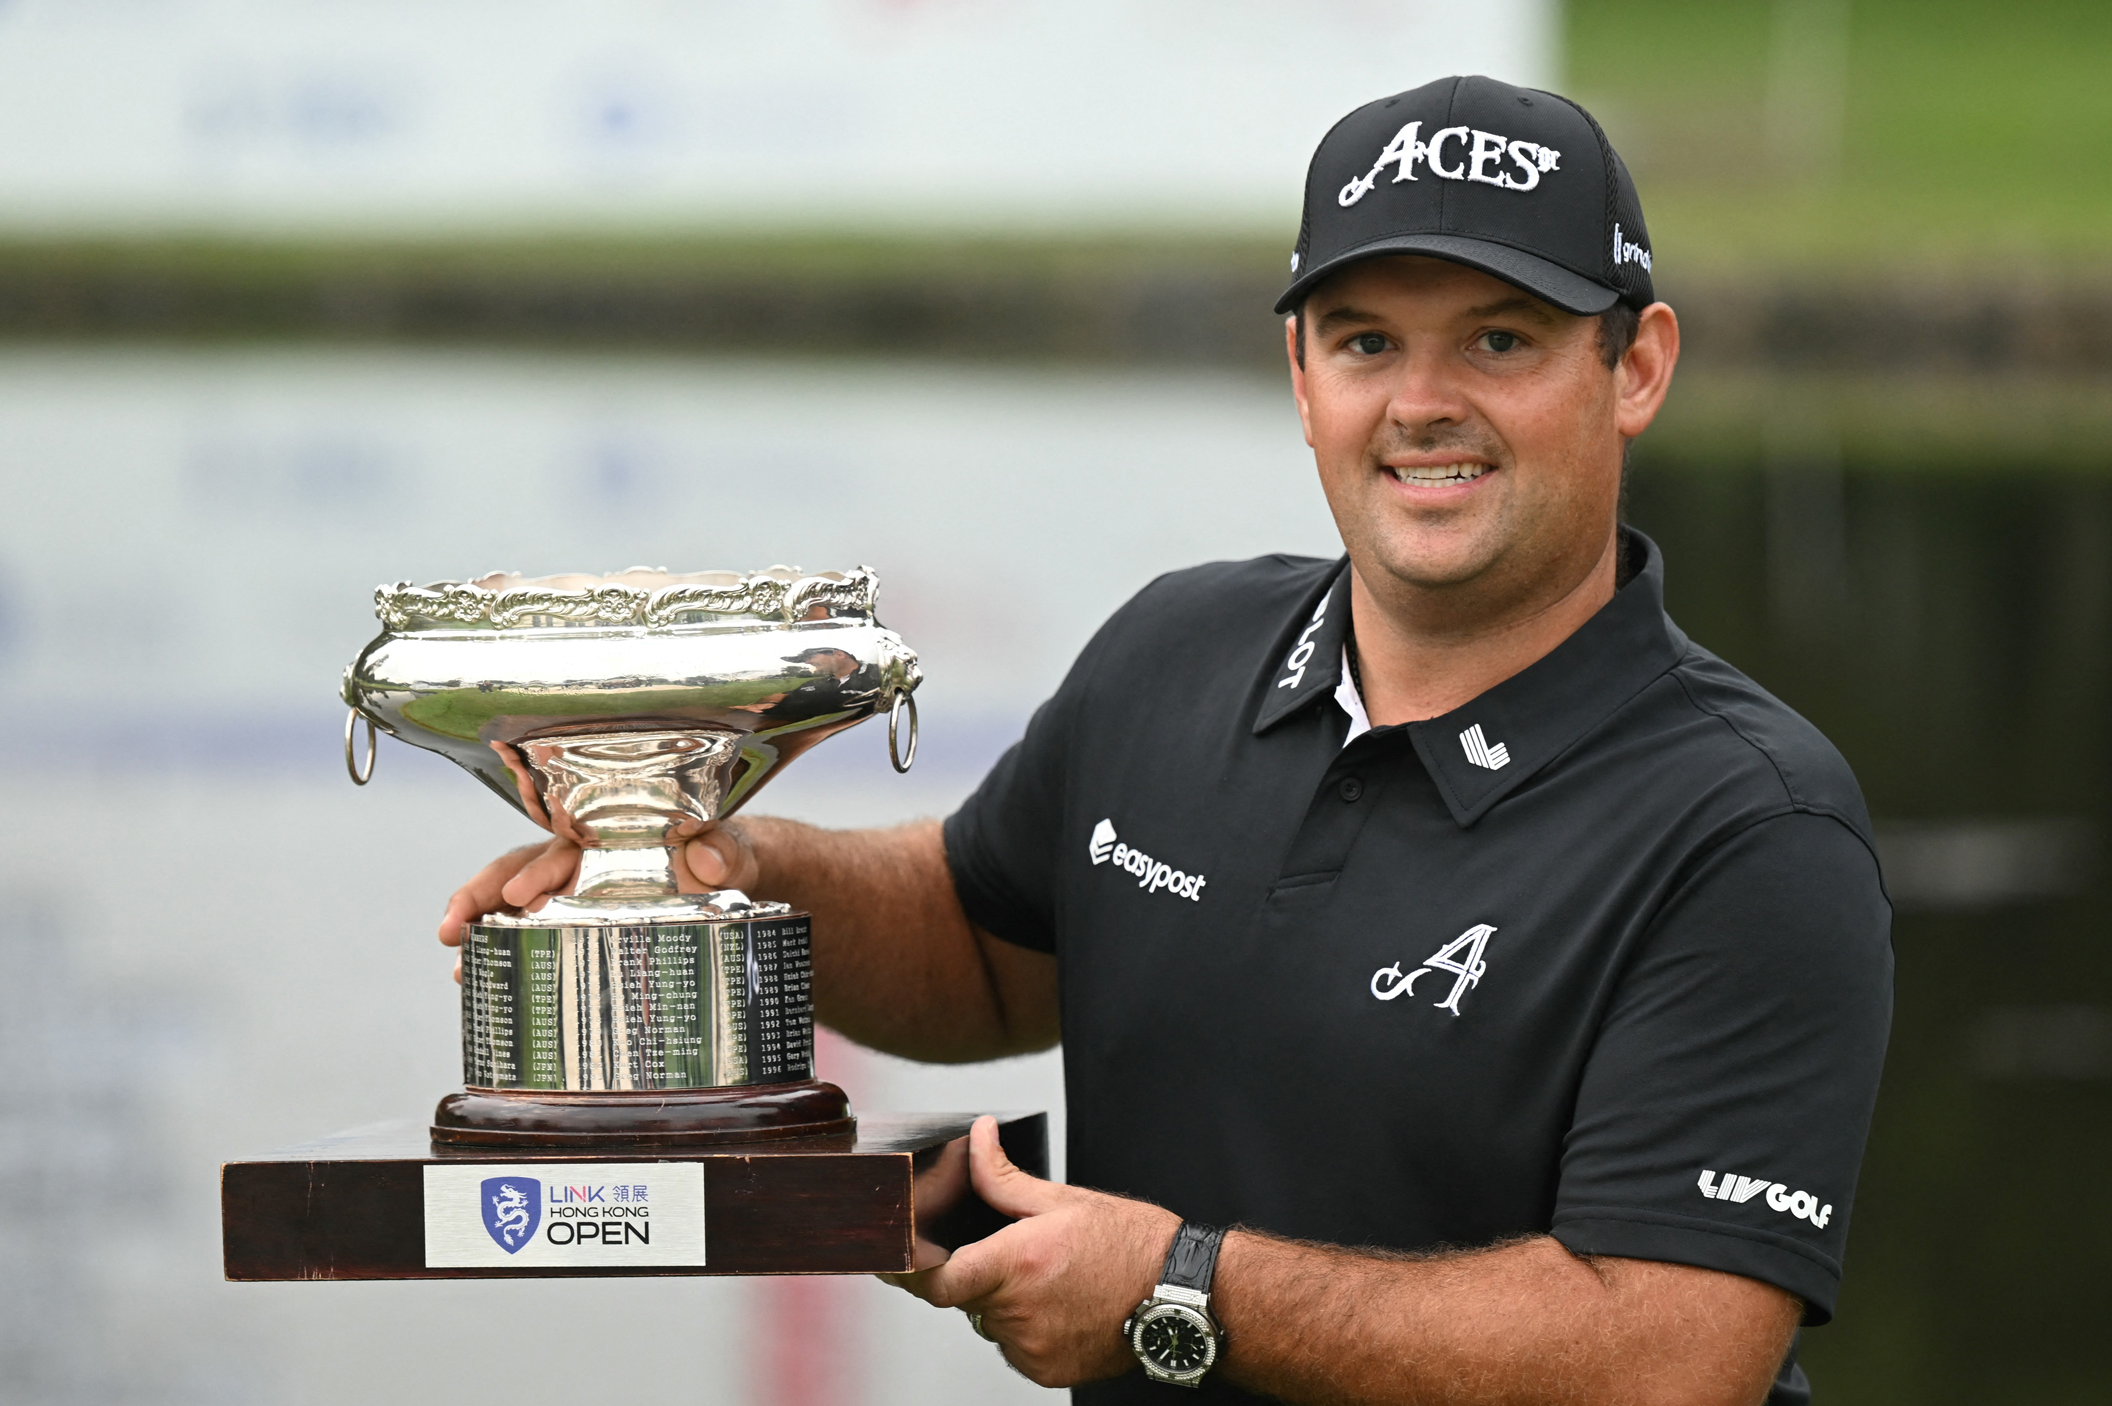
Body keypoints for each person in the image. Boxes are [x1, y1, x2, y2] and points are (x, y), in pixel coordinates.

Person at [440, 74, 1893, 1406]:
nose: (1422, 403)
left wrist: (1175, 1289)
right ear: (1301, 374)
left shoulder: (1752, 825)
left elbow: (1666, 1351)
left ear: (1635, 368)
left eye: (1499, 340)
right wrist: (716, 870)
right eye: (1366, 340)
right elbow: (982, 944)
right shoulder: (1175, 652)